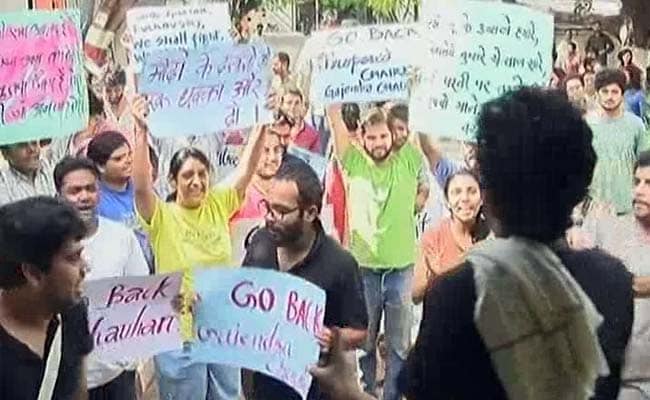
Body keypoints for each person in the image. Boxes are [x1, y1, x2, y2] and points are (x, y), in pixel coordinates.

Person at [131, 94, 266, 400]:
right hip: (178, 331)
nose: (196, 181)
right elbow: (140, 185)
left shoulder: (218, 203)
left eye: (202, 174)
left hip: (220, 327)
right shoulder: (161, 216)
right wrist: (140, 130)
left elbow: (246, 171)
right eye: (187, 175)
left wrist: (261, 124)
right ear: (172, 180)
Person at [242, 157, 368, 400]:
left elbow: (360, 331)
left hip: (312, 389)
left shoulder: (340, 264)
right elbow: (242, 297)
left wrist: (333, 337)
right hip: (260, 386)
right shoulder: (260, 244)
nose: (270, 217)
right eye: (268, 207)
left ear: (310, 212)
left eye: (281, 211)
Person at [328, 104, 422, 400]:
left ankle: (393, 396)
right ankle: (365, 394)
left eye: (384, 136)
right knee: (364, 343)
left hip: (400, 270)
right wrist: (332, 97)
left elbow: (420, 115)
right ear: (362, 138)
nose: (379, 143)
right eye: (373, 137)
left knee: (398, 346)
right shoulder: (353, 163)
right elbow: (335, 122)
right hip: (364, 270)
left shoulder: (408, 160)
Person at [53, 156, 149, 399]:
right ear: (58, 196)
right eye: (74, 191)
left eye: (90, 189)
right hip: (66, 376)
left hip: (117, 374)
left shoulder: (122, 238)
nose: (84, 197)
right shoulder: (47, 245)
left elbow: (143, 296)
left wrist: (130, 361)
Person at [0, 196, 93, 400]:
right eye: (73, 258)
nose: (86, 268)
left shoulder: (72, 311)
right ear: (33, 273)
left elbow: (78, 390)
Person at [581, 151, 650, 399]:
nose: (639, 191)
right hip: (620, 382)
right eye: (636, 182)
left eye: (649, 184)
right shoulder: (609, 231)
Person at [411, 170, 488, 304]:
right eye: (456, 192)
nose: (465, 198)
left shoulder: (493, 235)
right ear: (447, 201)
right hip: (443, 316)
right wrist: (436, 278)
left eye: (472, 191)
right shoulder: (433, 237)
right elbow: (416, 296)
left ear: (482, 199)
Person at [586, 68, 649, 215]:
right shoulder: (586, 126)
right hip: (595, 209)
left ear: (622, 94)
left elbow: (645, 166)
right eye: (605, 91)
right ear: (597, 94)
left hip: (628, 208)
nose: (610, 96)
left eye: (614, 92)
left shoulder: (636, 125)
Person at [0, 140, 56, 205]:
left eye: (34, 142)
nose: (32, 149)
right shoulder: (4, 186)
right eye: (22, 145)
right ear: (6, 153)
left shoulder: (50, 168)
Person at [280, 87, 322, 154]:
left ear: (302, 105)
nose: (293, 107)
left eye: (297, 103)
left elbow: (315, 160)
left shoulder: (312, 134)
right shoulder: (274, 130)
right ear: (282, 105)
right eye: (289, 103)